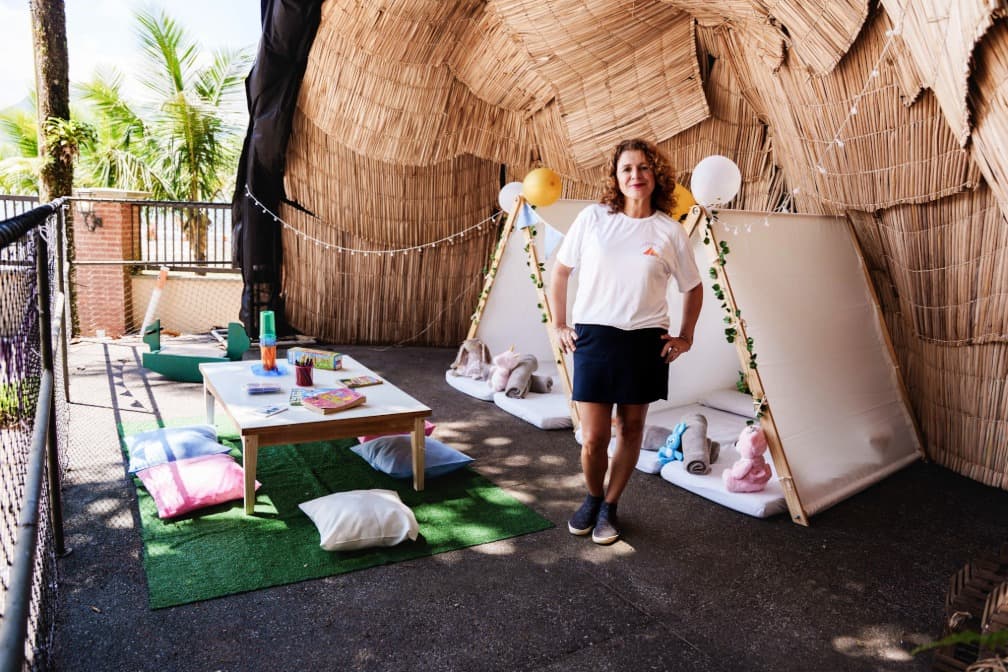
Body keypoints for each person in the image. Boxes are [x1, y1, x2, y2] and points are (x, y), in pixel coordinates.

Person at [550, 138, 704, 545]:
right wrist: (559, 324)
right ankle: (592, 497)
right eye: (627, 169)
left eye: (644, 167)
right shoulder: (593, 218)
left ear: (657, 174)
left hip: (645, 342)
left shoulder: (670, 231)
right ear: (616, 177)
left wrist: (686, 336)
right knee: (594, 437)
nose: (636, 175)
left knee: (631, 429)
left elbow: (692, 286)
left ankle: (610, 506)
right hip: (594, 338)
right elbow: (561, 271)